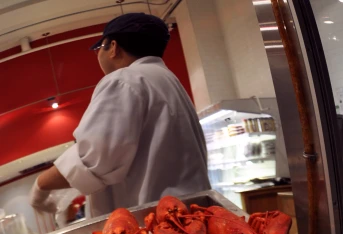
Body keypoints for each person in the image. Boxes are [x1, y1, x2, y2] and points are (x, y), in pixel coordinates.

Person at [30, 13, 210, 218]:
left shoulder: (124, 79)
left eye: (99, 48)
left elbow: (96, 159)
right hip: (191, 213)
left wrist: (40, 186)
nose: (98, 55)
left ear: (113, 47)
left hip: (157, 223)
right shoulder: (168, 80)